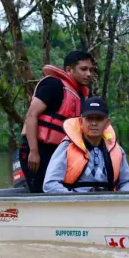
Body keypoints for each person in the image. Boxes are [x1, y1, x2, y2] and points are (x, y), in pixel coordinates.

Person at [20, 51, 95, 193]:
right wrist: (34, 152)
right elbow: (31, 115)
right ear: (69, 70)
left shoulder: (78, 95)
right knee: (39, 192)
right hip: (38, 149)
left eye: (91, 70)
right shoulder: (54, 85)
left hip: (58, 152)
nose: (89, 74)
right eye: (83, 69)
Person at [42, 96, 129, 193]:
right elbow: (50, 184)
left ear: (107, 123)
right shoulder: (66, 148)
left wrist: (119, 200)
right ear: (81, 122)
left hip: (107, 203)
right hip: (76, 203)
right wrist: (76, 200)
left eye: (99, 119)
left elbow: (128, 182)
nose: (94, 123)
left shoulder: (117, 150)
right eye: (89, 119)